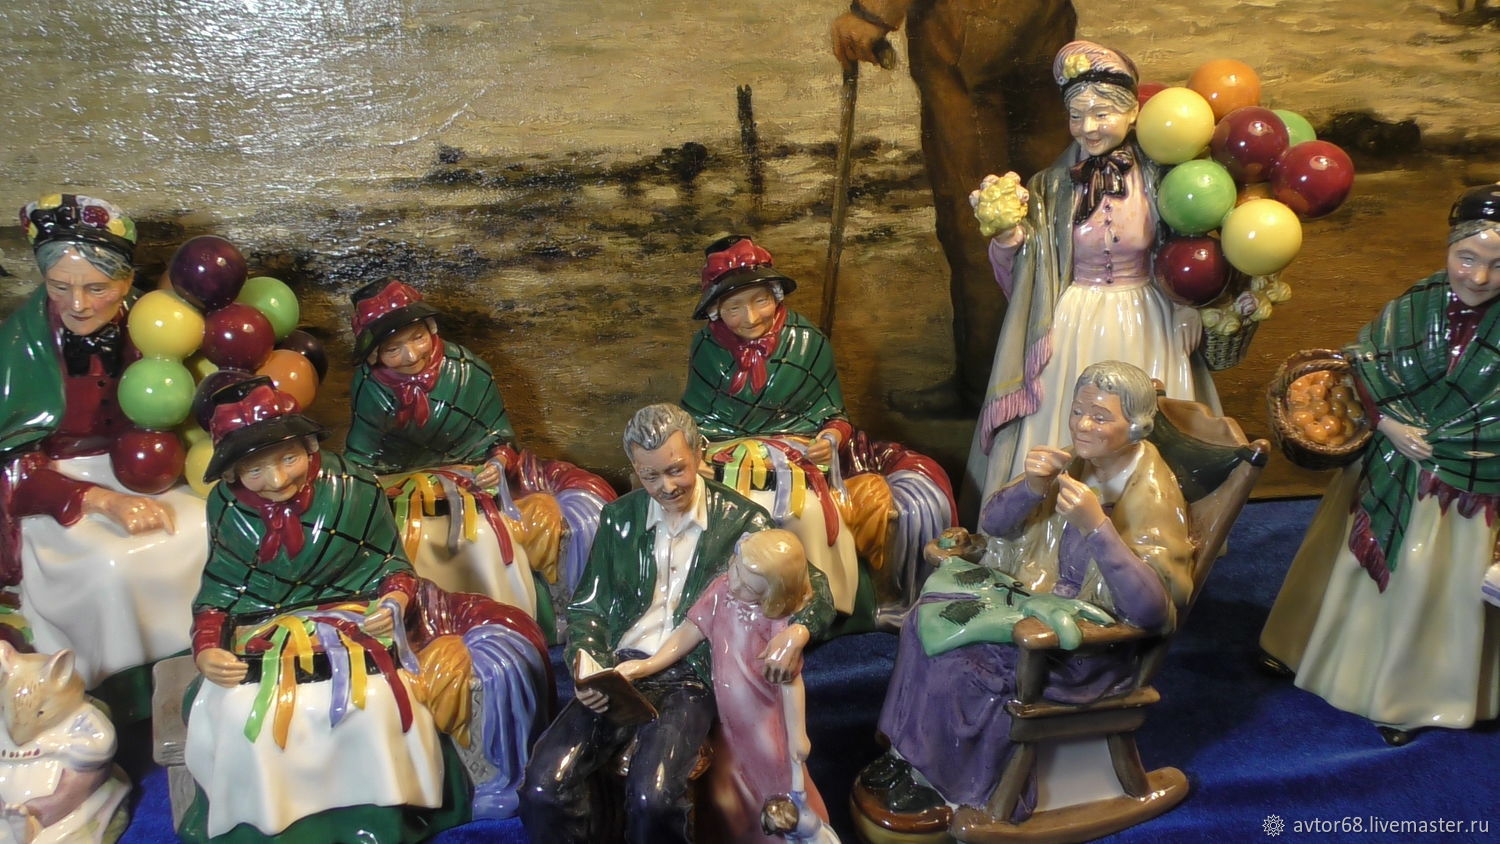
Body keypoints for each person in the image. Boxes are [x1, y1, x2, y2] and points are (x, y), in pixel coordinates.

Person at [182, 377, 551, 841]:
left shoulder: (353, 485)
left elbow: (390, 566)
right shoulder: (226, 508)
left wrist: (394, 600)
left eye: (288, 459)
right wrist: (207, 648)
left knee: (376, 702)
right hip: (268, 634)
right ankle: (268, 822)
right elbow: (219, 591)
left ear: (309, 447)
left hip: (356, 621)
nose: (277, 481)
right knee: (241, 712)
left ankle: (380, 816)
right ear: (233, 475)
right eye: (255, 470)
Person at [854, 361, 1194, 830]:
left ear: (1136, 426)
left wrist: (1097, 526)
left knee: (969, 665)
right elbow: (994, 525)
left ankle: (953, 783)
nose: (1082, 425)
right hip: (1032, 602)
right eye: (1078, 411)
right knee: (924, 622)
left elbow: (1152, 611)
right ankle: (909, 756)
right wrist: (1033, 487)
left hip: (1084, 646)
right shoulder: (1074, 463)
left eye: (1100, 417)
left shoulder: (1151, 496)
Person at [519, 404, 835, 844]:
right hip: (621, 668)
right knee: (543, 784)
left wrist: (798, 632)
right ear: (634, 468)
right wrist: (588, 664)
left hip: (691, 675)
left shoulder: (743, 520)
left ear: (699, 453)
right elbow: (588, 607)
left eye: (675, 470)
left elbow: (811, 585)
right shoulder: (619, 519)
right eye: (650, 475)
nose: (666, 487)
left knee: (654, 796)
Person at [1259, 184, 1500, 746]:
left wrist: (1456, 441)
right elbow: (1365, 362)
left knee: (1429, 583)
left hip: (1464, 487)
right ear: (1449, 248)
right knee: (1341, 564)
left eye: (1497, 265)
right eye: (1467, 258)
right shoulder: (1418, 303)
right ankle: (1304, 648)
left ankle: (1410, 695)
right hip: (1389, 462)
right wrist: (1389, 424)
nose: (1479, 277)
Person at [964, 41, 1221, 518]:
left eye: (1102, 114)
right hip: (1075, 317)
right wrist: (1010, 238)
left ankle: (1148, 518)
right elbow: (1030, 272)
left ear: (1133, 112)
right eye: (1077, 116)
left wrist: (1186, 303)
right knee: (1070, 412)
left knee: (1149, 411)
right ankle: (1056, 518)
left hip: (1146, 314)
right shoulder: (1049, 186)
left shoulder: (1164, 177)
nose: (1088, 127)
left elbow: (1188, 242)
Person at [0, 193, 207, 719]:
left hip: (152, 468)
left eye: (97, 288)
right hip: (58, 484)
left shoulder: (157, 324)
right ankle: (123, 692)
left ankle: (201, 664)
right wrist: (99, 501)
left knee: (206, 526)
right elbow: (13, 461)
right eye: (60, 287)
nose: (78, 304)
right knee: (111, 565)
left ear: (126, 279)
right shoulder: (19, 344)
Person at [681, 236, 956, 616]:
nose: (751, 318)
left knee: (806, 513)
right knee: (728, 513)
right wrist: (696, 452)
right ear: (716, 311)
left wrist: (829, 438)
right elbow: (698, 416)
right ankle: (731, 609)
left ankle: (822, 605)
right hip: (729, 457)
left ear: (776, 296)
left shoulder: (807, 341)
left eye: (760, 301)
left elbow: (833, 415)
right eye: (734, 308)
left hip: (798, 458)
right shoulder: (706, 348)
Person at [830, 0, 1077, 414]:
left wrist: (872, 12)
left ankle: (989, 390)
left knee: (979, 215)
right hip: (1042, 24)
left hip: (966, 29)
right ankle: (1058, 381)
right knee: (1049, 198)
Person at [345, 277, 616, 622]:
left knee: (488, 535)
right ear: (375, 354)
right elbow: (364, 453)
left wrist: (498, 462)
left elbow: (497, 437)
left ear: (431, 330)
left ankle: (513, 617)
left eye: (417, 338)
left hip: (472, 477)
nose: (411, 355)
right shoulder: (369, 387)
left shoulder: (467, 371)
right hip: (404, 485)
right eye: (393, 349)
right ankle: (438, 620)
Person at [616, 530, 837, 844]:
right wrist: (648, 665)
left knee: (774, 778)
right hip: (727, 716)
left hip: (763, 718)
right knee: (729, 786)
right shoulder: (721, 591)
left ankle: (790, 834)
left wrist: (798, 732)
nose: (735, 584)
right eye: (735, 569)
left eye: (748, 587)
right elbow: (689, 632)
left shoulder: (776, 621)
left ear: (774, 594)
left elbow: (790, 683)